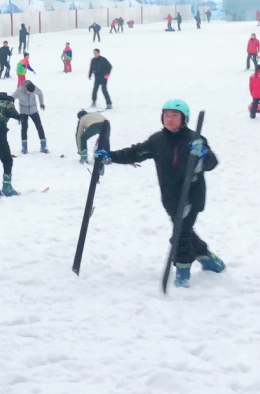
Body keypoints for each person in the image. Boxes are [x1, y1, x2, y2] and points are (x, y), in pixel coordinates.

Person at [95, 100, 224, 289]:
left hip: (191, 195)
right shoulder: (157, 140)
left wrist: (203, 153)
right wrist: (110, 156)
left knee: (180, 234)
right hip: (170, 197)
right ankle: (207, 257)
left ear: (184, 119)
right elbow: (135, 153)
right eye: (167, 115)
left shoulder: (194, 140)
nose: (170, 119)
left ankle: (183, 270)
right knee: (184, 231)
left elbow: (211, 164)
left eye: (174, 116)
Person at [13, 80, 48, 154]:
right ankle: (24, 147)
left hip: (33, 110)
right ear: (25, 88)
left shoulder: (33, 88)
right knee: (24, 128)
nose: (31, 93)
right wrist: (15, 114)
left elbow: (40, 93)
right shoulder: (18, 92)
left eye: (32, 92)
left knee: (39, 127)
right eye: (30, 92)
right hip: (23, 111)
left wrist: (41, 104)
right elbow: (11, 99)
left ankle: (44, 146)